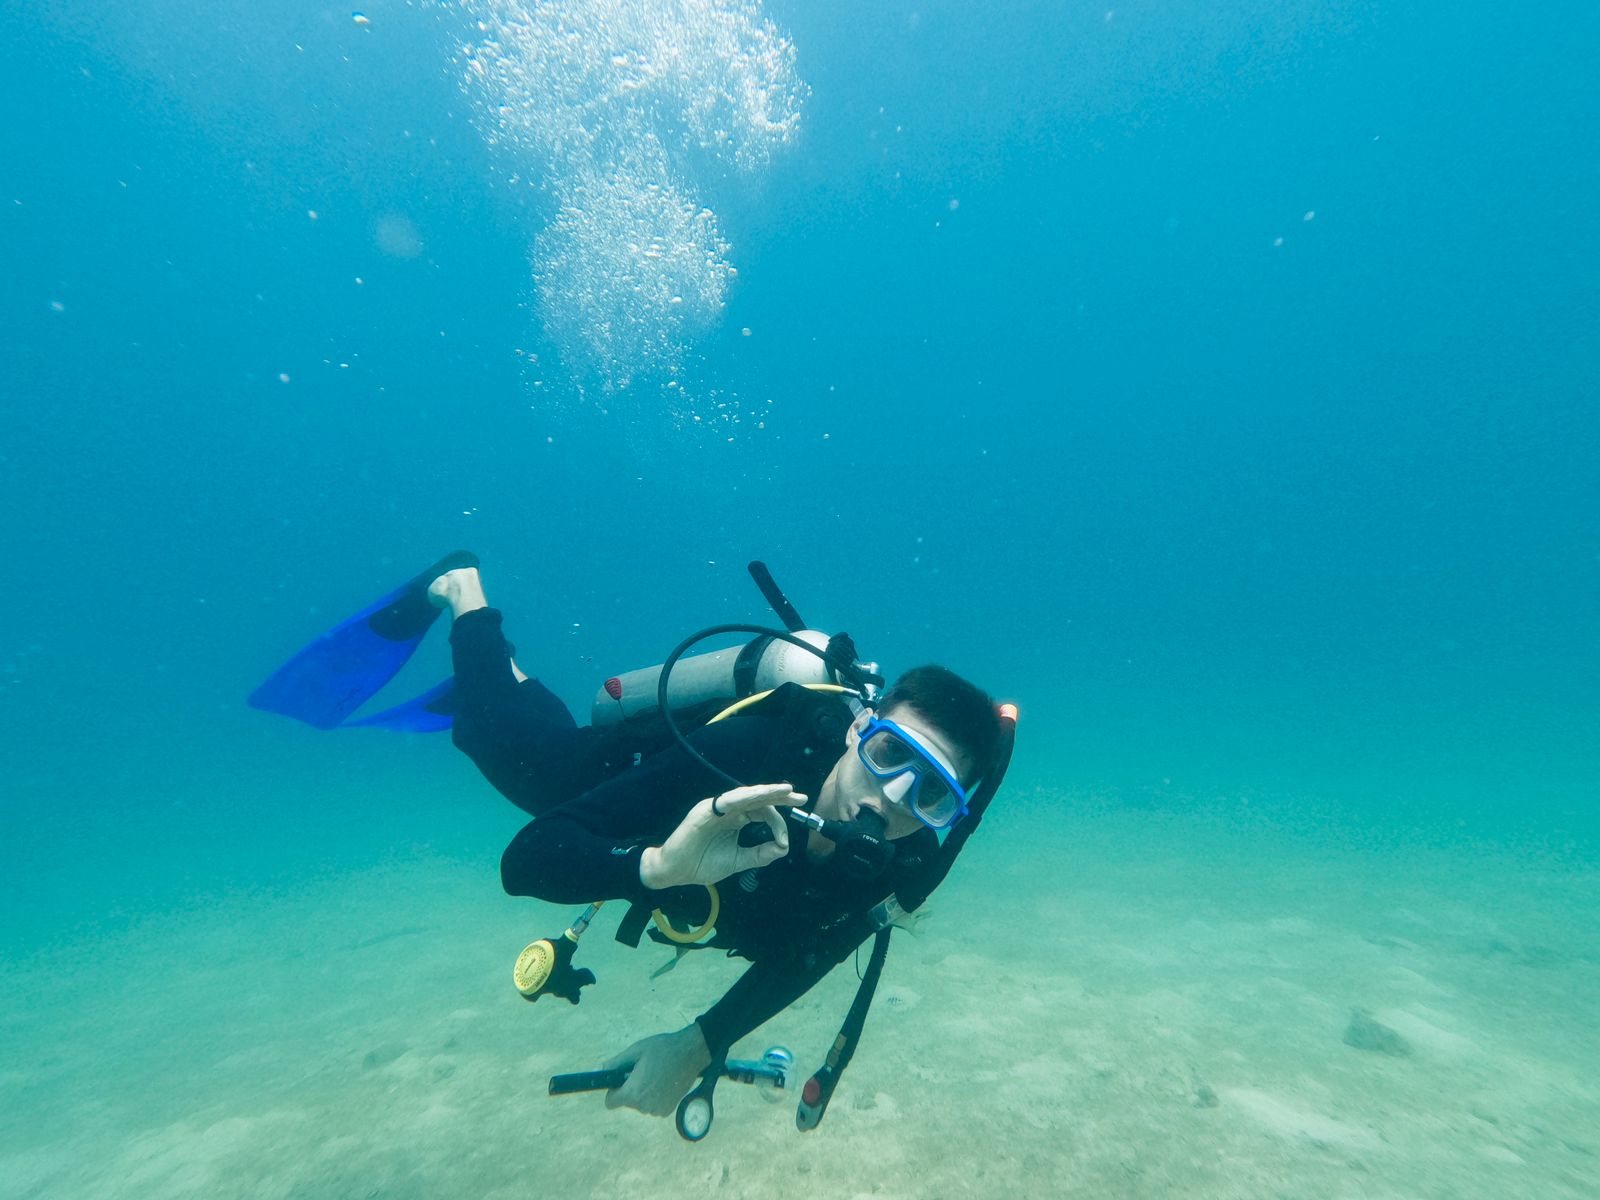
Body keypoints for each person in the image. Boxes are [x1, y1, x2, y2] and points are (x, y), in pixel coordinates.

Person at [249, 552, 1009, 1122]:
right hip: (639, 773)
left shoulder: (900, 859)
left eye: (932, 793)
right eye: (888, 756)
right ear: (855, 730)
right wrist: (653, 867)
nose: (890, 799)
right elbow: (526, 861)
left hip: (670, 847)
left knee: (512, 731)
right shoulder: (745, 761)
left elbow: (812, 951)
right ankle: (465, 594)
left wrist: (697, 1043)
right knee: (514, 756)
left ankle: (508, 684)